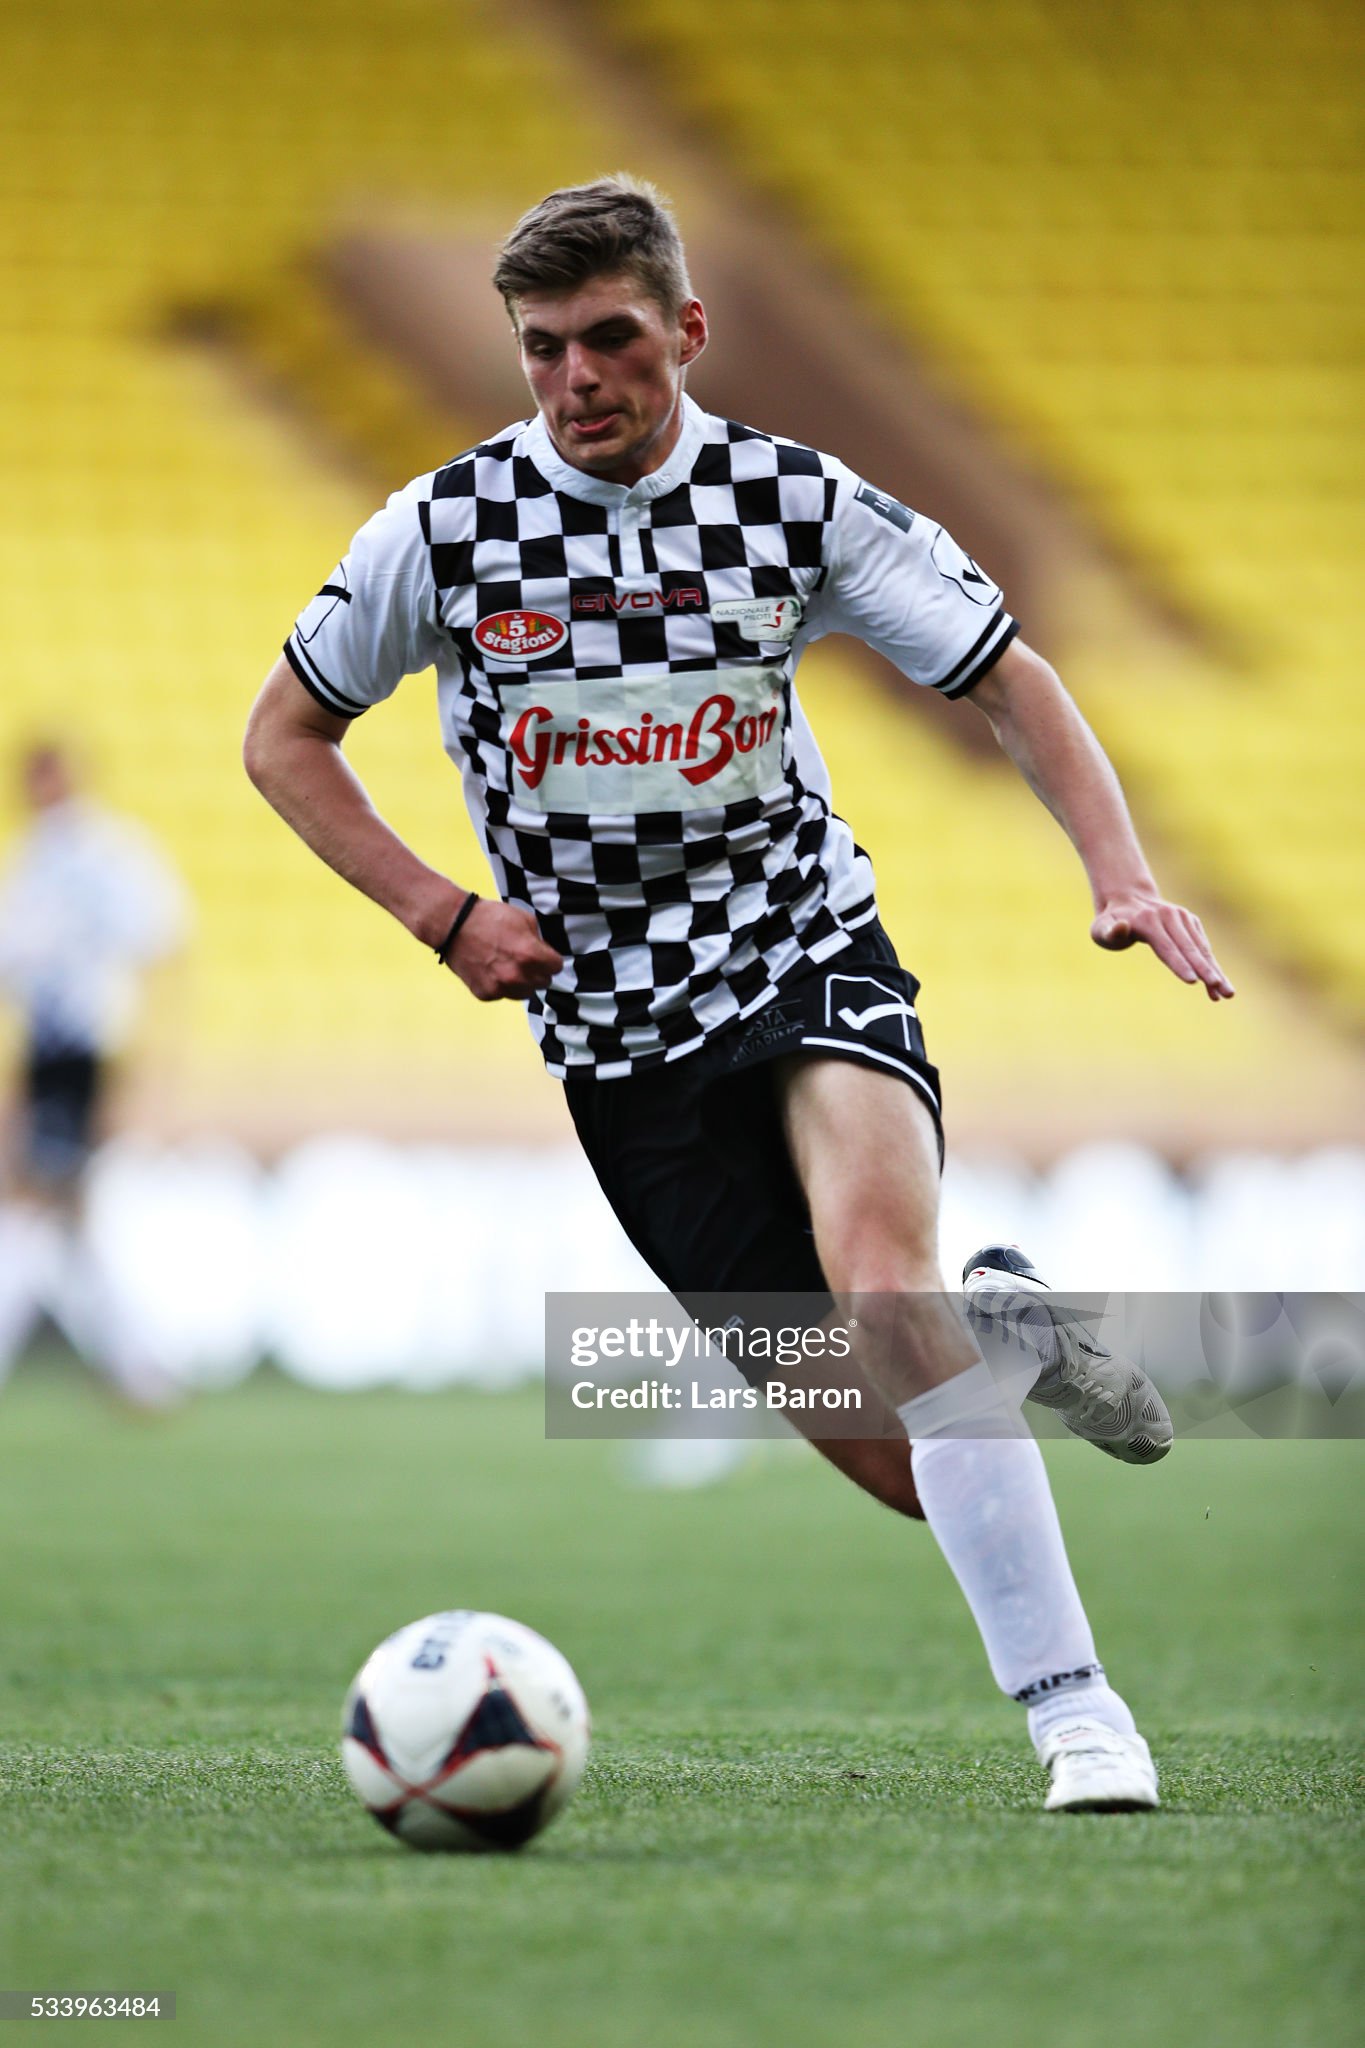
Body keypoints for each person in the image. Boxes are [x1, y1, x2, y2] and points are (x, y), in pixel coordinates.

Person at [244, 176, 1234, 1812]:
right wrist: (442, 914)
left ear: (685, 332)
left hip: (801, 948)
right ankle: (1015, 1326)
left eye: (612, 338)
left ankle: (1081, 1717)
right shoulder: (440, 531)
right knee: (913, 1459)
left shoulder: (794, 503)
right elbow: (283, 736)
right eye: (544, 348)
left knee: (886, 1292)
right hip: (618, 1040)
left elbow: (1010, 672)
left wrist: (1118, 871)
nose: (578, 377)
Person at [0, 741, 189, 1404]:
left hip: (84, 1051)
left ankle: (140, 1370)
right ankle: (141, 1372)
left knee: (27, 1202)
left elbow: (161, 948)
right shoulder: (31, 861)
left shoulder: (106, 856)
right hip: (49, 1054)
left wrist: (149, 1067)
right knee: (70, 1218)